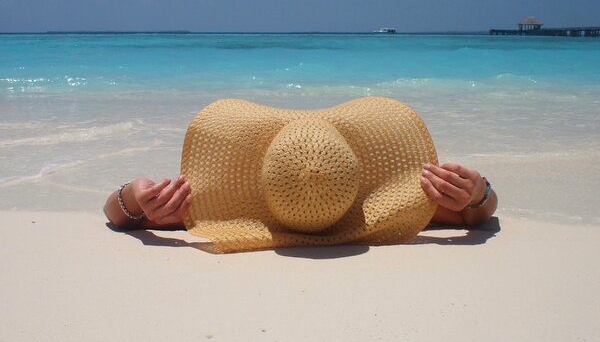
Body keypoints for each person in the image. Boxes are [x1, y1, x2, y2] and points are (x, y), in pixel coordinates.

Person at [104, 162, 497, 231]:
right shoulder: (373, 208)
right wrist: (137, 194)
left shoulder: (228, 210)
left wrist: (478, 194)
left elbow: (121, 216)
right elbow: (470, 218)